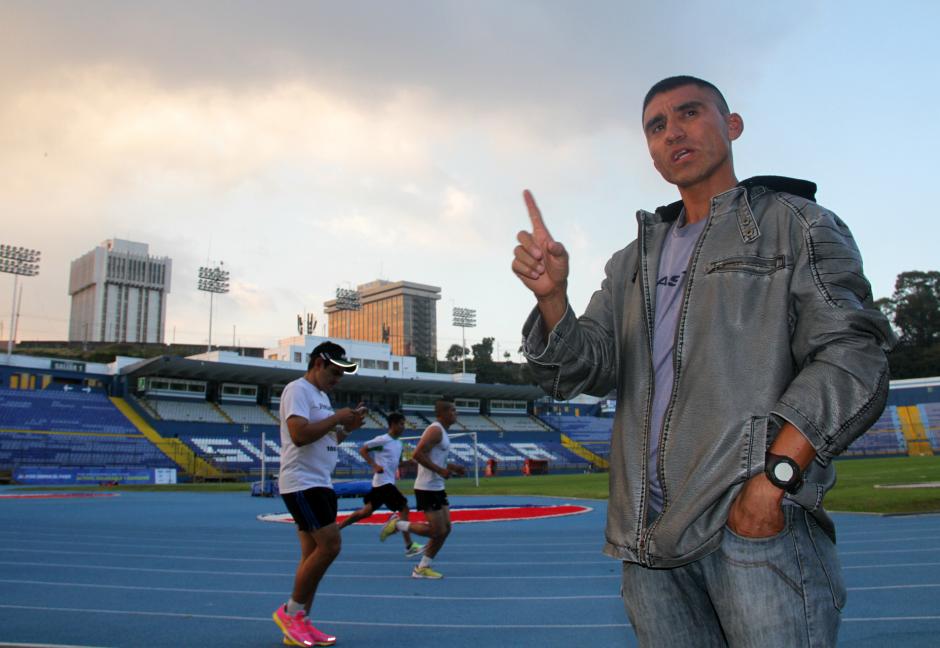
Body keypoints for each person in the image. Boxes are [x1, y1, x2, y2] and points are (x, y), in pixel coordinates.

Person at [512, 75, 895, 646]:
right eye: (656, 126)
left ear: (732, 125)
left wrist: (773, 482)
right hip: (648, 546)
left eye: (689, 113)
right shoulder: (631, 261)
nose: (673, 132)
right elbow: (578, 371)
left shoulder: (797, 224)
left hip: (752, 528)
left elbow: (852, 355)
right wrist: (551, 299)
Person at [272, 341, 366, 647]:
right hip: (303, 482)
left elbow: (325, 439)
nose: (338, 378)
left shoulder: (321, 397)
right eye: (334, 371)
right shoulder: (297, 390)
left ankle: (299, 625)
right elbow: (299, 435)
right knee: (330, 546)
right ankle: (291, 613)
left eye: (342, 373)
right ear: (317, 363)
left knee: (311, 554)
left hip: (319, 481)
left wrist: (348, 428)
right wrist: (338, 417)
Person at [380, 399, 465, 578]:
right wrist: (441, 470)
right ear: (442, 413)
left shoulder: (443, 432)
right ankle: (398, 524)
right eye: (453, 410)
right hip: (427, 488)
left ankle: (422, 567)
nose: (456, 414)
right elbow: (417, 454)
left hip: (437, 487)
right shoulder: (435, 430)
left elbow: (435, 459)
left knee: (446, 529)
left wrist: (452, 467)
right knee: (436, 531)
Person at [338, 411, 425, 557]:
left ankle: (338, 528)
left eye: (404, 424)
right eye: (401, 424)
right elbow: (363, 449)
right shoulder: (382, 440)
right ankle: (409, 546)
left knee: (365, 512)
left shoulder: (398, 443)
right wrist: (374, 465)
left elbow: (396, 463)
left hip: (383, 484)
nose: (404, 427)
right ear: (392, 425)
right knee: (404, 508)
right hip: (383, 483)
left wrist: (407, 463)